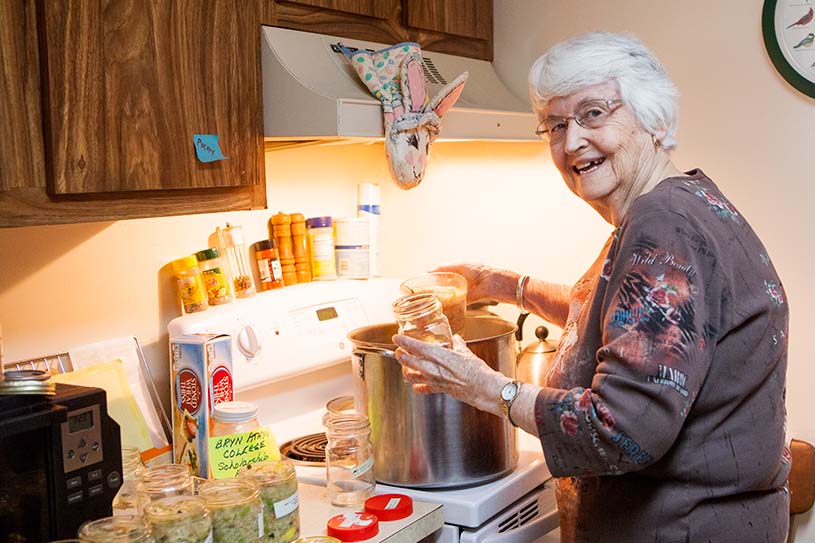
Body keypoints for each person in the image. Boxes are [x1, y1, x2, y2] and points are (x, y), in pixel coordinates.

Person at [393, 31, 790, 542]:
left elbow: (622, 430)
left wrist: (487, 387)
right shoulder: (681, 202)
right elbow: (634, 323)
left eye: (594, 114)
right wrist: (501, 283)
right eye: (555, 125)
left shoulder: (663, 224)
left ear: (654, 120)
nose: (571, 141)